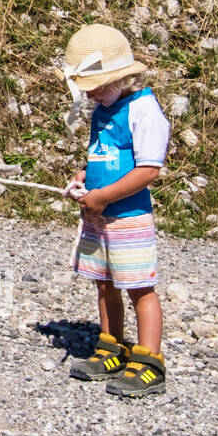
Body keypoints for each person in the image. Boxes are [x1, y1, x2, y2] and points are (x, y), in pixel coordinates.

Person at [57, 23, 171, 398]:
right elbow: (103, 157)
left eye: (97, 87)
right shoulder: (100, 110)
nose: (91, 94)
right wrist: (86, 178)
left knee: (138, 287)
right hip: (98, 216)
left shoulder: (143, 109)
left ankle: (150, 361)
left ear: (121, 78)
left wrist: (105, 196)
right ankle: (112, 346)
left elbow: (148, 168)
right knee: (103, 282)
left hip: (128, 218)